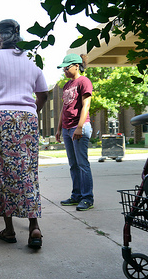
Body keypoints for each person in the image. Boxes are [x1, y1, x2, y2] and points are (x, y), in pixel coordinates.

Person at [0, 19, 48, 249]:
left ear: (0, 37)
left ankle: (10, 229)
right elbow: (43, 94)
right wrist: (30, 112)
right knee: (27, 170)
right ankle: (34, 227)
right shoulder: (32, 57)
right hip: (27, 119)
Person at [55, 53, 94, 211]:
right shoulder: (66, 85)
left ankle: (87, 198)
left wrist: (79, 127)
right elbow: (64, 109)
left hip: (79, 127)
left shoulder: (84, 81)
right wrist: (58, 129)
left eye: (66, 67)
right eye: (63, 68)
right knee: (73, 165)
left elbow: (86, 106)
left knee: (82, 164)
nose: (64, 70)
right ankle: (76, 195)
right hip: (66, 128)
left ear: (76, 65)